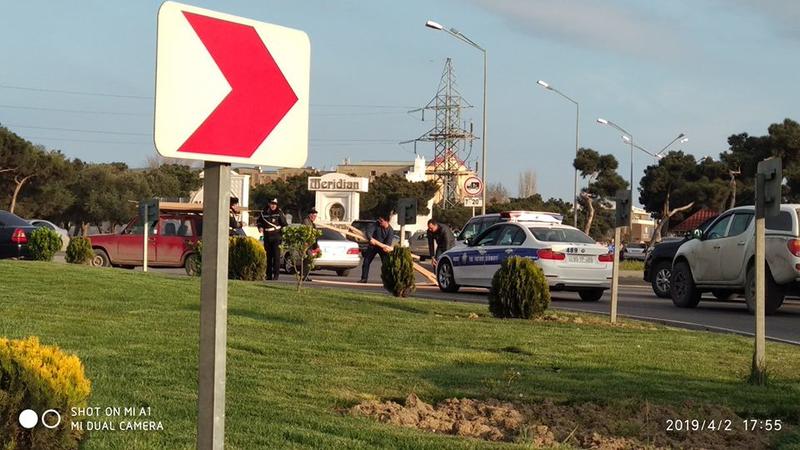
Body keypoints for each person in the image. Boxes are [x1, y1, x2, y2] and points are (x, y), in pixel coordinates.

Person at [256, 198, 288, 280]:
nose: (273, 205)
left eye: (275, 204)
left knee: (276, 256)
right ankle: (268, 275)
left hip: (276, 237)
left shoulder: (279, 213)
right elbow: (259, 221)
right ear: (269, 204)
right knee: (268, 256)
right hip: (267, 236)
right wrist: (260, 227)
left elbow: (284, 224)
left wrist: (282, 233)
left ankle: (276, 275)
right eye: (271, 203)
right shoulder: (264, 213)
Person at [360, 215, 394, 283]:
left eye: (381, 221)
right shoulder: (376, 224)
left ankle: (386, 281)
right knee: (366, 262)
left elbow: (388, 244)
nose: (380, 222)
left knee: (386, 264)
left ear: (387, 221)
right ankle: (364, 278)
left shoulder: (390, 230)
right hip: (373, 246)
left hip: (382, 248)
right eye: (379, 220)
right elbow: (368, 232)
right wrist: (370, 239)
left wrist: (386, 248)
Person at [300, 208, 319, 281]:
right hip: (306, 244)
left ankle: (305, 275)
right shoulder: (306, 221)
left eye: (315, 216)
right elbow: (308, 233)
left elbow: (315, 235)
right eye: (313, 216)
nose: (314, 218)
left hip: (310, 245)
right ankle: (303, 276)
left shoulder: (312, 223)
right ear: (310, 215)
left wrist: (316, 246)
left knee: (308, 260)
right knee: (307, 260)